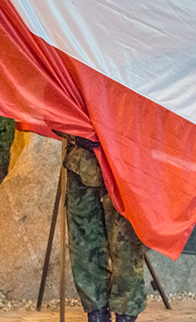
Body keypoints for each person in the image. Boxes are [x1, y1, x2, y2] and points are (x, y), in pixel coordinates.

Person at [63, 134, 146, 322]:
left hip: (123, 164)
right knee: (84, 246)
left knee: (126, 246)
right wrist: (74, 130)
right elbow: (58, 111)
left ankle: (126, 313)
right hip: (82, 162)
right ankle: (96, 312)